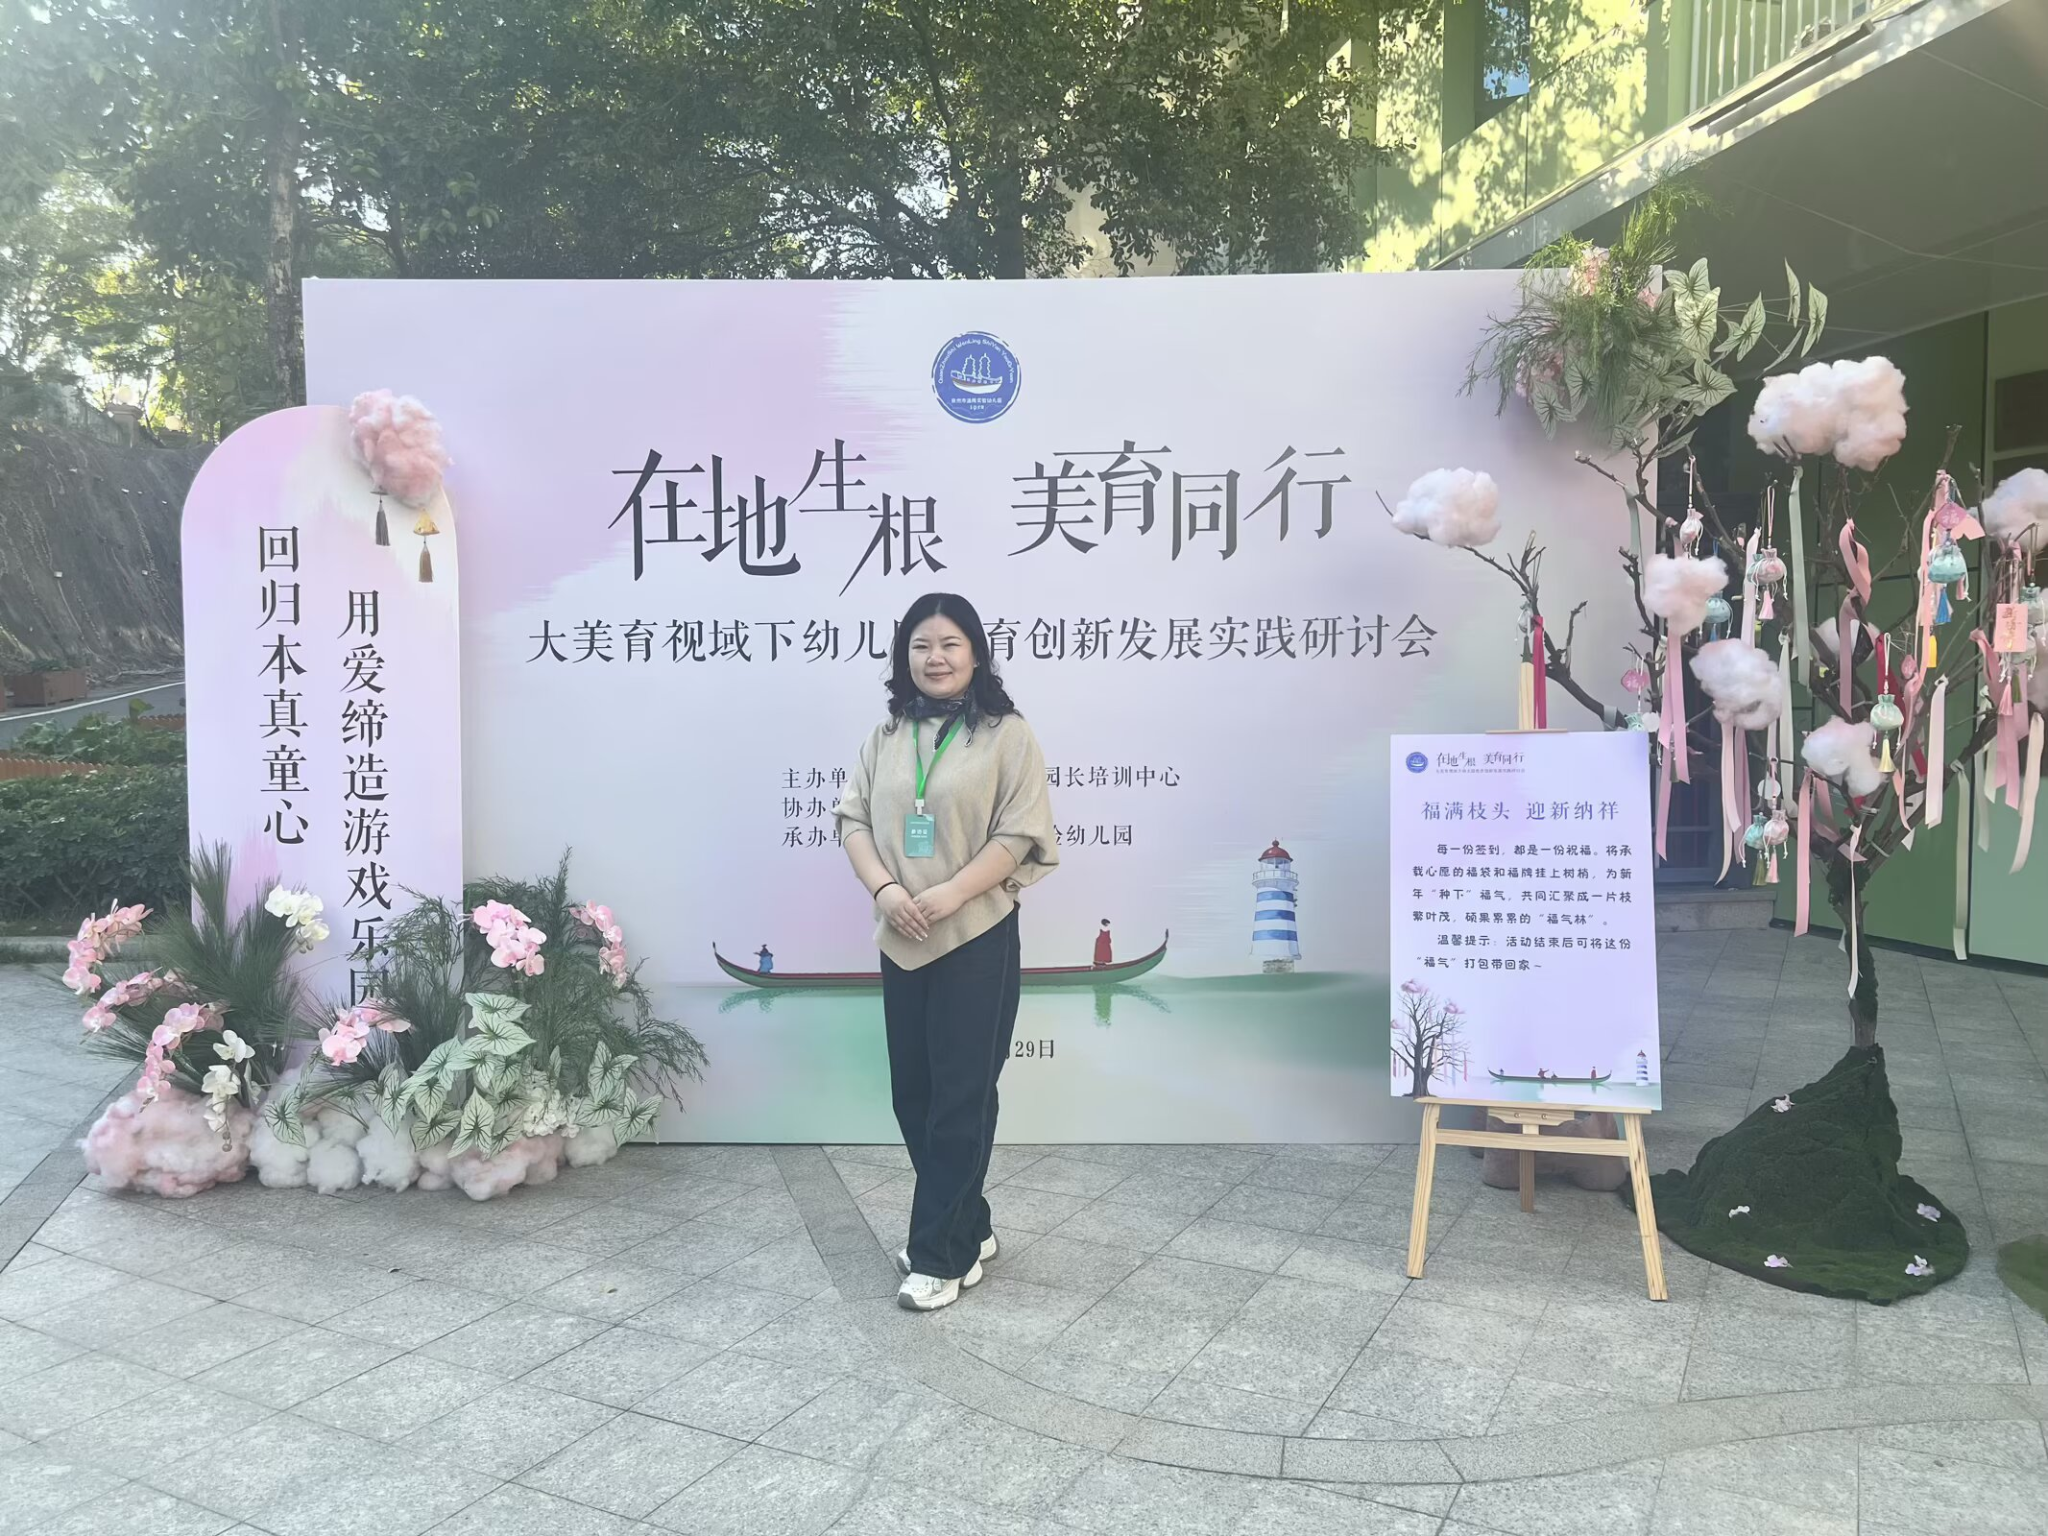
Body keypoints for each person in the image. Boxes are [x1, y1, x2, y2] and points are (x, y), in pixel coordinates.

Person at [834, 593, 1058, 1312]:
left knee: (961, 1097)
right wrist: (887, 890)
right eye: (921, 644)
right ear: (904, 655)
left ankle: (941, 1255)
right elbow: (852, 820)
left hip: (975, 934)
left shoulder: (1008, 735)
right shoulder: (887, 735)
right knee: (916, 1094)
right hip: (901, 935)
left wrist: (951, 894)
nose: (935, 658)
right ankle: (970, 1223)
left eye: (950, 644)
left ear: (977, 653)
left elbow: (1020, 834)